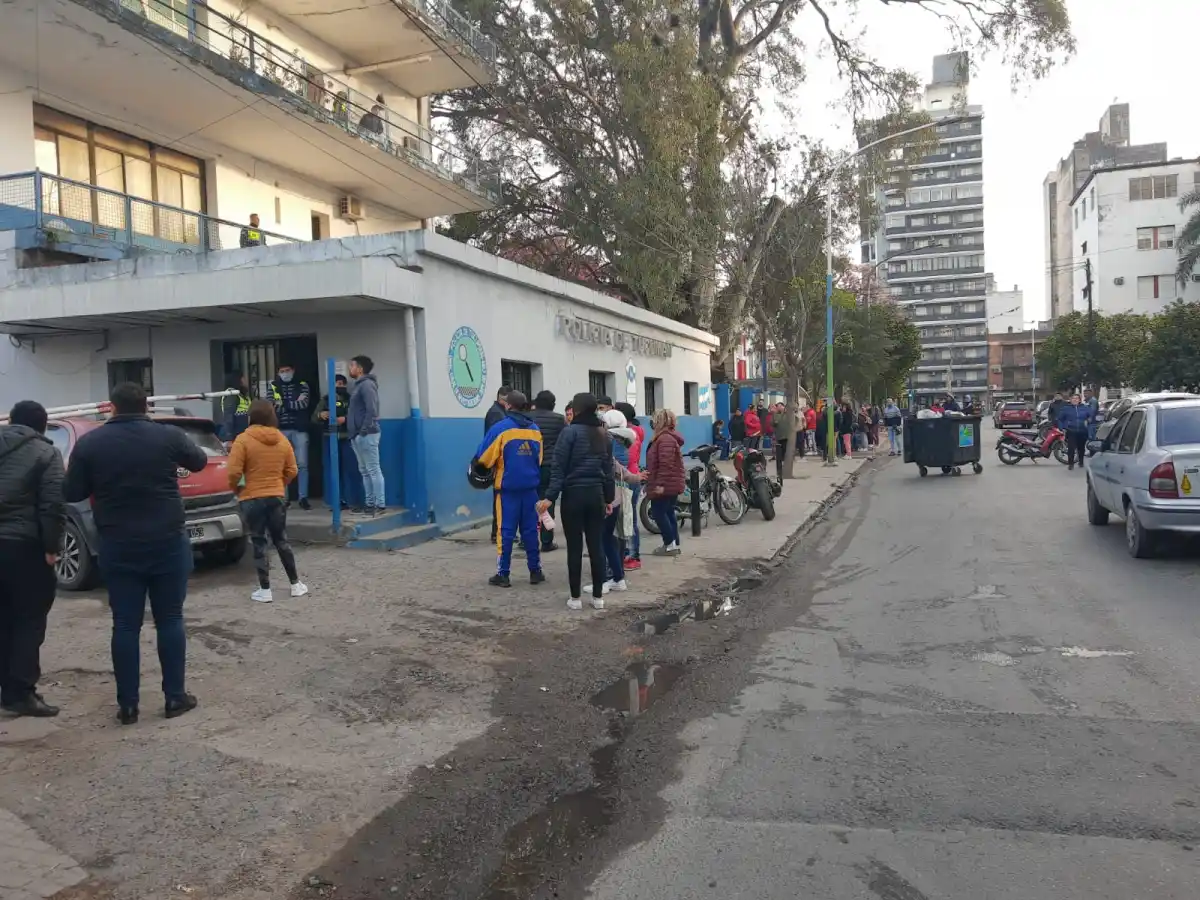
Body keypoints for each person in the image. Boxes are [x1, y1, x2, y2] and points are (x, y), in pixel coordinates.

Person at [63, 382, 208, 725]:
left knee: (125, 624)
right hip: (167, 540)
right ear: (146, 406)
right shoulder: (167, 436)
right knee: (170, 618)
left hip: (118, 543)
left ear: (112, 407)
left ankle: (128, 706)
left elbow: (72, 491)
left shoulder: (91, 443)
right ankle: (174, 697)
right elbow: (200, 461)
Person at [0, 401, 65, 718]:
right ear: (42, 425)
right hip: (23, 547)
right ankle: (20, 692)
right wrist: (52, 547)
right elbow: (52, 504)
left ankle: (7, 687)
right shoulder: (46, 453)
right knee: (28, 619)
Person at [227, 401, 307, 603]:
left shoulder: (243, 440)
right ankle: (296, 584)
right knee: (281, 540)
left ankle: (265, 590)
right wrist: (279, 484)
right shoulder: (282, 439)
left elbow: (234, 472)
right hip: (276, 497)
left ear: (251, 417)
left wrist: (238, 489)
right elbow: (292, 470)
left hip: (251, 497)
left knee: (259, 541)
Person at [539, 393, 613, 610]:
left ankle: (575, 598)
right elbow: (608, 471)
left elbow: (558, 468)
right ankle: (598, 598)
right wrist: (609, 498)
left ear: (577, 409)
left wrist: (550, 497)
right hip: (596, 496)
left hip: (573, 496)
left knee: (574, 548)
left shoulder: (569, 433)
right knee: (596, 546)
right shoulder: (604, 435)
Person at [476, 390, 544, 589]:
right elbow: (539, 459)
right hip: (531, 489)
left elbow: (484, 458)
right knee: (530, 531)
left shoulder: (500, 429)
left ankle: (503, 574)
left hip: (507, 490)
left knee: (505, 532)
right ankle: (535, 571)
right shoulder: (535, 430)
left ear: (507, 405)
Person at [600, 410, 644, 594]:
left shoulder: (611, 440)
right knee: (620, 532)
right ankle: (618, 573)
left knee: (609, 537)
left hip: (612, 493)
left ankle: (612, 575)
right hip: (622, 489)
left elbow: (612, 467)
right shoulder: (628, 438)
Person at [528, 390, 566, 554]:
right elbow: (564, 442)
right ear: (553, 404)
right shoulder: (559, 419)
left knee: (529, 501)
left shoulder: (528, 418)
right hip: (550, 466)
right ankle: (546, 541)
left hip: (530, 465)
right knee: (547, 501)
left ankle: (528, 539)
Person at [644, 407, 685, 556]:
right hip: (670, 483)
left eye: (654, 420)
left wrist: (660, 484)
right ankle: (673, 543)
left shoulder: (665, 439)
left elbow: (666, 464)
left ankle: (669, 544)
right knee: (668, 513)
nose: (652, 423)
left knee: (659, 513)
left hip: (665, 484)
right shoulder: (665, 437)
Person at [270, 363, 311, 511]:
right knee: (282, 465)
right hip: (281, 430)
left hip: (300, 429)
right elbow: (272, 406)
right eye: (282, 371)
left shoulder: (302, 385)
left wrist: (283, 404)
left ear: (293, 370)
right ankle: (284, 498)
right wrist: (292, 403)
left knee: (302, 465)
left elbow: (303, 404)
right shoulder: (273, 386)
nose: (285, 373)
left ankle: (303, 498)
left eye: (287, 370)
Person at [346, 355, 384, 514]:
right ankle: (370, 503)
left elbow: (372, 410)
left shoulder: (367, 385)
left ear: (360, 369)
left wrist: (363, 431)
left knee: (373, 469)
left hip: (367, 434)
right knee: (365, 470)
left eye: (352, 365)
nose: (350, 368)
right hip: (357, 435)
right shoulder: (358, 386)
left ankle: (379, 504)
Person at [313, 374, 355, 509]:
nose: (339, 386)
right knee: (333, 470)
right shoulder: (326, 400)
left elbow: (356, 416)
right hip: (330, 438)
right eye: (337, 383)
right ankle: (336, 500)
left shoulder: (350, 399)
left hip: (346, 438)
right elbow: (314, 418)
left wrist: (345, 419)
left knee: (349, 470)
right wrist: (321, 415)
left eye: (342, 384)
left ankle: (349, 500)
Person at [615, 402, 644, 571]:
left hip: (628, 479)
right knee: (626, 519)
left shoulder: (628, 434)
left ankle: (633, 556)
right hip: (629, 476)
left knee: (629, 519)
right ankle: (627, 553)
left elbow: (626, 459)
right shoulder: (631, 432)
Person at [1057, 392, 1092, 471]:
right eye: (1073, 398)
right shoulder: (1066, 408)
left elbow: (1091, 416)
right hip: (1071, 430)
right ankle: (1071, 464)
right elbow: (1060, 419)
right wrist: (1062, 428)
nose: (1075, 400)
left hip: (1082, 430)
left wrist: (1089, 421)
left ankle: (1081, 461)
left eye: (1077, 398)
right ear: (1070, 400)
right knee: (1071, 448)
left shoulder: (1085, 408)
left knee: (1081, 447)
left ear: (1079, 400)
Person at [219, 372, 252, 443]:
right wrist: (229, 438)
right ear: (238, 380)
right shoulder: (231, 395)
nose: (246, 381)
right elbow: (228, 417)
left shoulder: (241, 395)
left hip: (242, 433)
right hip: (234, 436)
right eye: (243, 378)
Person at [772, 403, 791, 478]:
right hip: (779, 437)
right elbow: (772, 423)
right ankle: (780, 471)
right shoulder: (775, 415)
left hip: (787, 436)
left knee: (786, 453)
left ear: (783, 407)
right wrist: (774, 423)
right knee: (780, 454)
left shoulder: (788, 414)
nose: (778, 408)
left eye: (779, 406)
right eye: (777, 407)